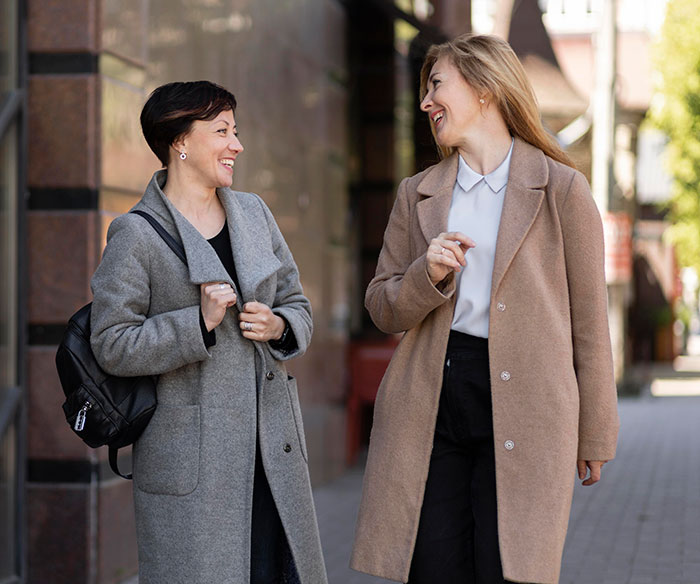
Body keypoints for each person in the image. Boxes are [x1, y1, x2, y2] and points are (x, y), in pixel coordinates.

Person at [351, 34, 619, 584]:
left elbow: (590, 325)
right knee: (433, 567)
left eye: (436, 85)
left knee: (507, 568)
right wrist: (427, 275)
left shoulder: (562, 189)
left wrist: (596, 433)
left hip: (529, 402)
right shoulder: (418, 193)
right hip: (433, 396)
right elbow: (381, 306)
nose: (426, 102)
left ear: (484, 90)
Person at [90, 81, 327, 584]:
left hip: (273, 453)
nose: (236, 144)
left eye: (235, 131)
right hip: (196, 468)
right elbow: (111, 342)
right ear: (180, 141)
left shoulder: (254, 212)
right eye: (222, 131)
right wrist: (194, 324)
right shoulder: (135, 234)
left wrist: (280, 325)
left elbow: (299, 305)